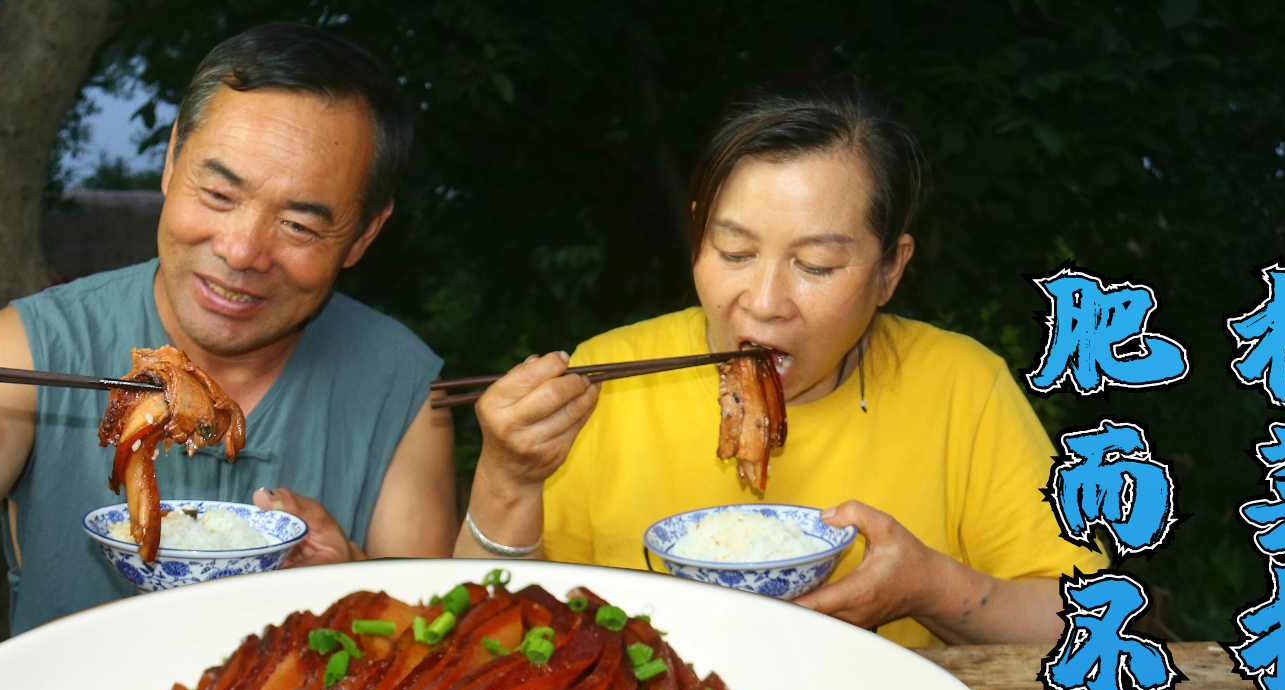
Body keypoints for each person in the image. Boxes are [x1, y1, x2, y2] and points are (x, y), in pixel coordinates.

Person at [0, 24, 455, 633]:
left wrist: (351, 586)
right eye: (217, 194)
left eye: (298, 225)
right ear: (172, 156)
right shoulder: (29, 346)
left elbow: (429, 639)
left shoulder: (404, 386)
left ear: (365, 233)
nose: (240, 251)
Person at [457, 76, 1105, 647]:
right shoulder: (604, 376)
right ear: (696, 237)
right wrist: (505, 481)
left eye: (816, 265)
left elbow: (1083, 617)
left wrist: (929, 587)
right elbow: (483, 630)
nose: (764, 304)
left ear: (890, 270)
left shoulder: (961, 386)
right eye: (735, 252)